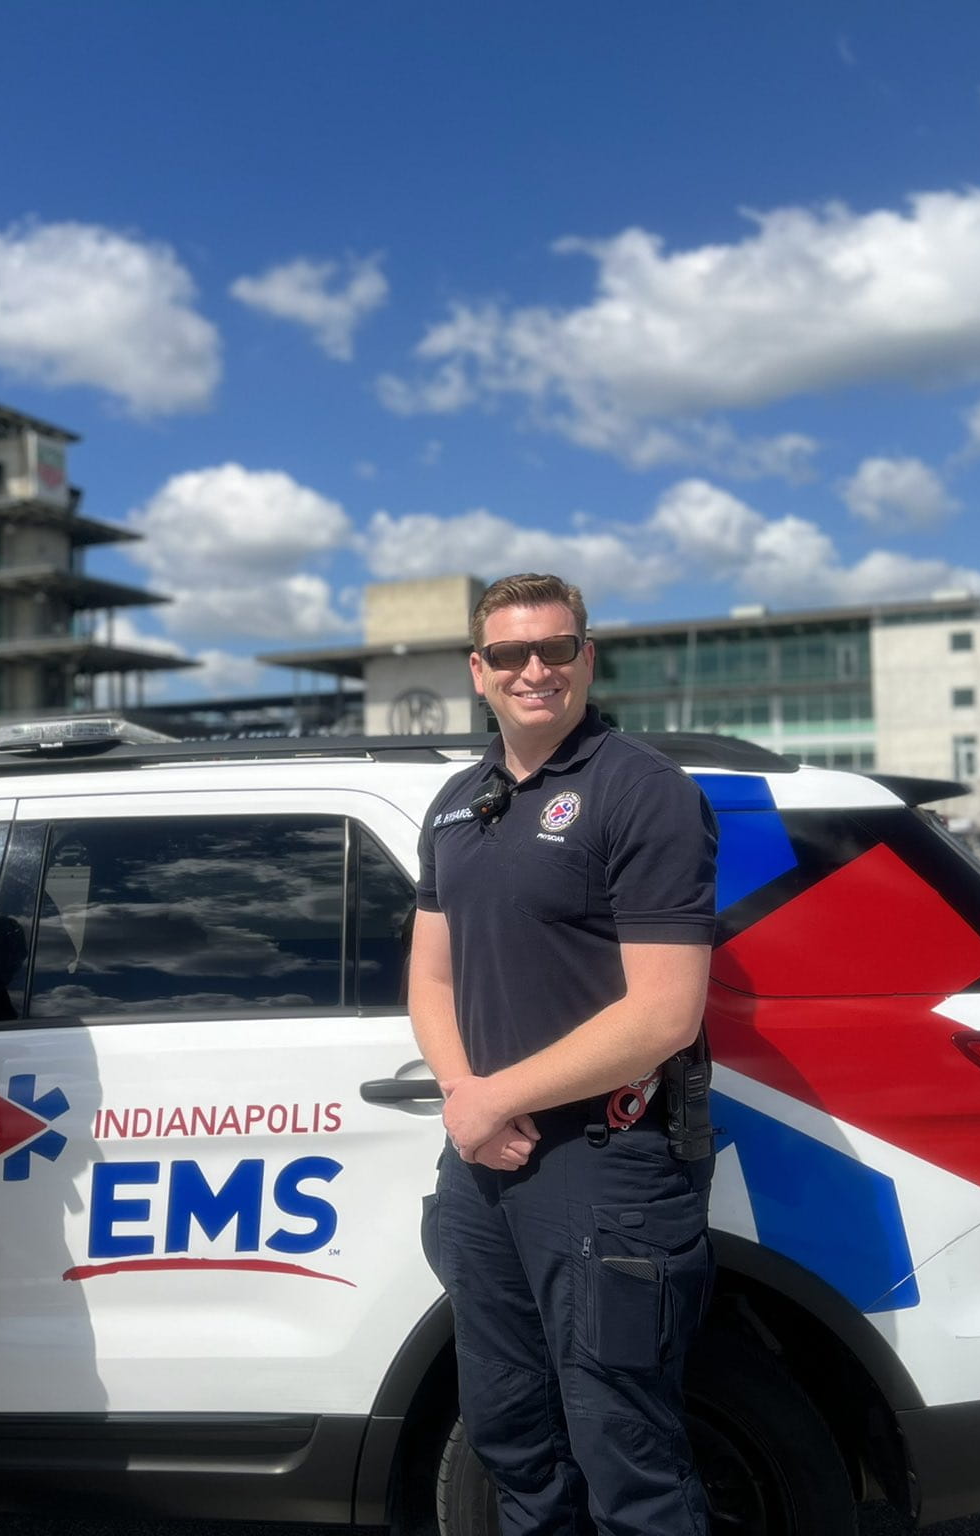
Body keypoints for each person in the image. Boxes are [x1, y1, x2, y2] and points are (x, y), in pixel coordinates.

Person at [411, 573, 719, 1536]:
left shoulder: (643, 791)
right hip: (485, 1173)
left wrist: (493, 1099)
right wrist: (470, 1100)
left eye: (555, 648)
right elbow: (429, 981)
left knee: (627, 1450)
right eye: (509, 654)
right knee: (510, 1437)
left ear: (587, 658)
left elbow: (665, 1012)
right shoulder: (459, 804)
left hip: (608, 1171)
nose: (533, 669)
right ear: (478, 671)